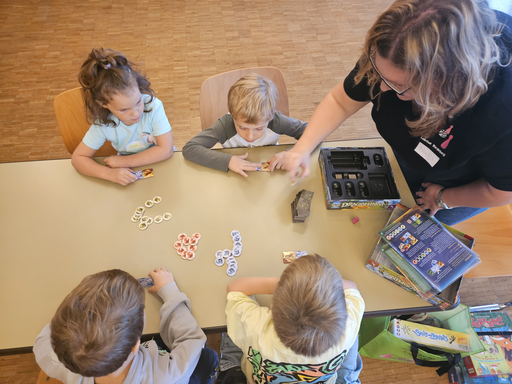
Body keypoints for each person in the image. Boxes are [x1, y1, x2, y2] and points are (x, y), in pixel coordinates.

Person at [281, 0, 512, 225]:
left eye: (399, 85)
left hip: (458, 187)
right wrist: (302, 148)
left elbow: (502, 191)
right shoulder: (395, 45)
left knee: (422, 231)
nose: (381, 89)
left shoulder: (501, 112)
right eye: (379, 74)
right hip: (410, 159)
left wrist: (444, 198)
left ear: (444, 81)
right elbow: (340, 100)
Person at [33, 268, 218, 384]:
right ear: (136, 344)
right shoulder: (169, 374)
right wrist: (169, 291)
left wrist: (75, 315)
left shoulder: (57, 359)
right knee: (208, 357)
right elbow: (192, 339)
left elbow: (42, 341)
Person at [220, 254, 365, 384]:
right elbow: (351, 286)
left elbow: (235, 287)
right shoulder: (349, 324)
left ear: (272, 307)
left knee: (232, 323)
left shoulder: (257, 327)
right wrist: (311, 285)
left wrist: (284, 285)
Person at [72, 48, 174, 186]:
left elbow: (165, 150)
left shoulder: (153, 107)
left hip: (166, 165)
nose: (135, 113)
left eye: (138, 101)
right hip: (131, 173)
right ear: (103, 104)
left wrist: (123, 161)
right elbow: (78, 158)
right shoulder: (103, 124)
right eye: (124, 109)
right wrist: (108, 174)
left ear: (138, 87)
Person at [182, 74, 307, 177]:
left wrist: (292, 153)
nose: (250, 135)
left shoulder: (276, 121)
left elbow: (309, 132)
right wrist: (228, 161)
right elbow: (190, 148)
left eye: (259, 128)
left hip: (271, 175)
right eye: (242, 127)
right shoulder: (225, 125)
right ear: (231, 115)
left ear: (271, 116)